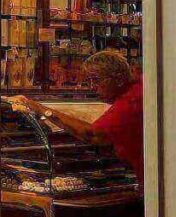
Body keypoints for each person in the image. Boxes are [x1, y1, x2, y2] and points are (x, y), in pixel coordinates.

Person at [9, 50, 143, 185]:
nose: (92, 87)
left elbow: (93, 135)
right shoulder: (137, 90)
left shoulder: (131, 100)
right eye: (89, 81)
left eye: (96, 80)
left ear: (119, 79)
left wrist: (39, 108)